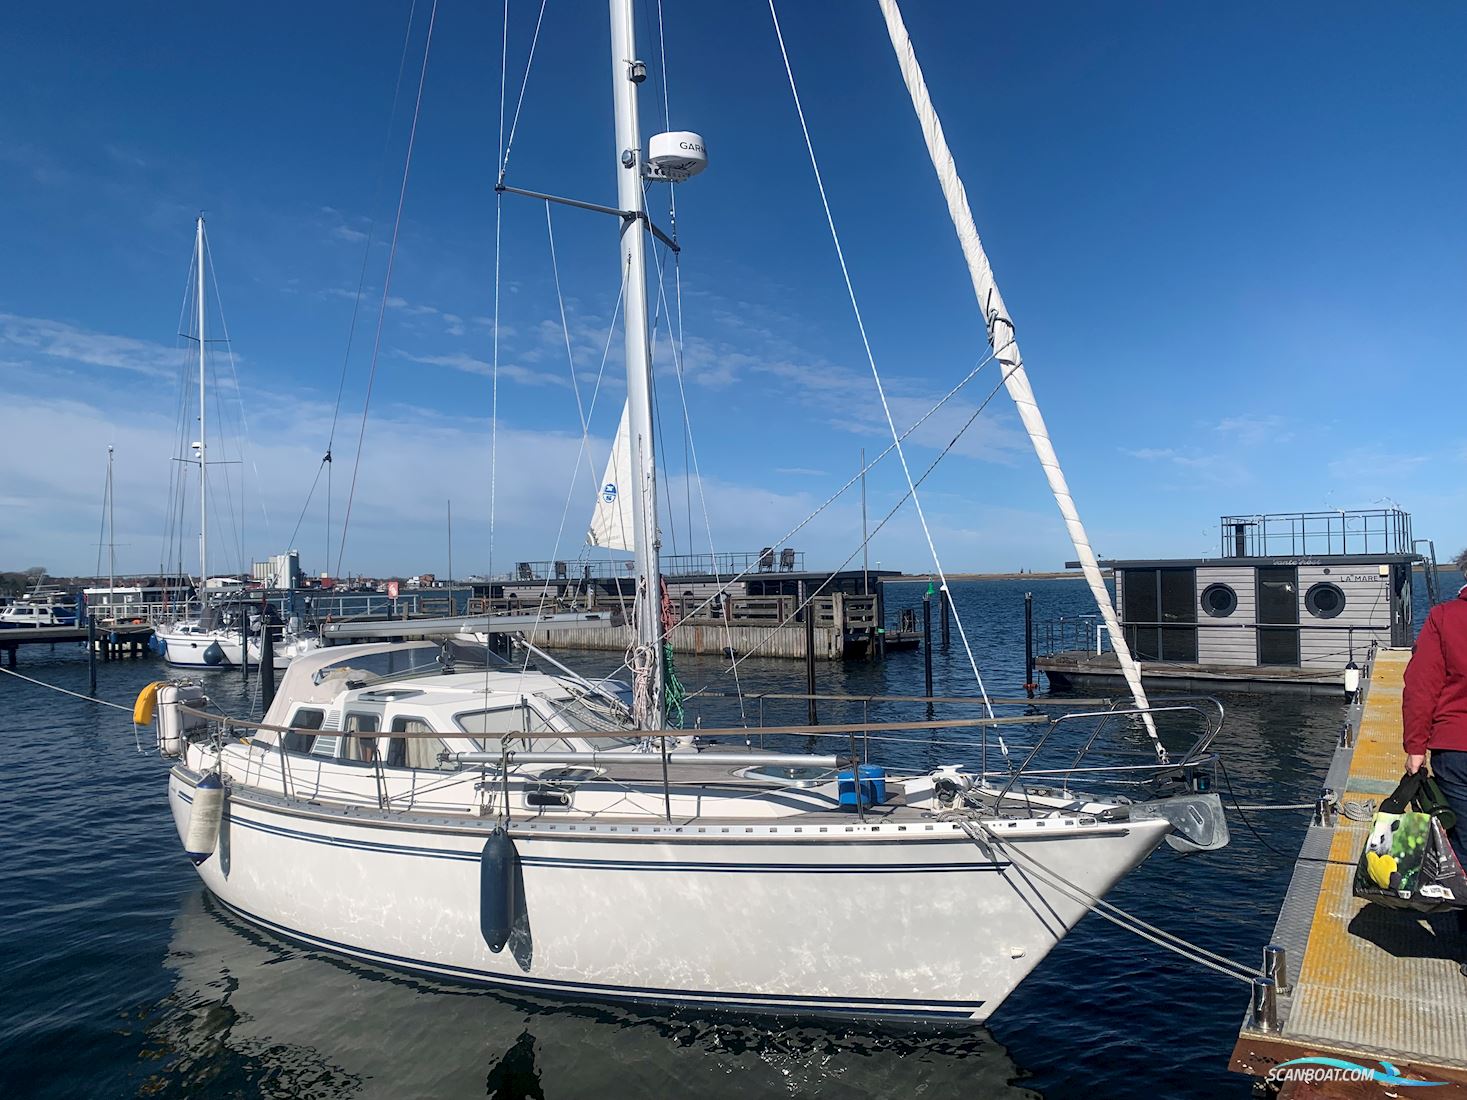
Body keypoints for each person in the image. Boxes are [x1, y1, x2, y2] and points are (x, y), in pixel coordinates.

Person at [1403, 548, 1467, 964]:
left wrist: (1415, 746)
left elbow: (1421, 685)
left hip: (1457, 749)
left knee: (1463, 843)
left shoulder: (1444, 618)